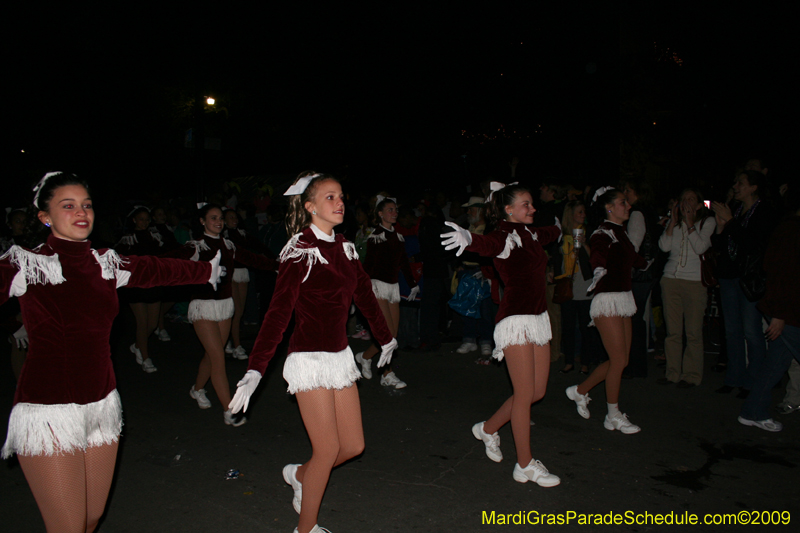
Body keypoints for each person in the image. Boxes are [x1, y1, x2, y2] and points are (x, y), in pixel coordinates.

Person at [0, 172, 222, 533]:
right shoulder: (27, 263)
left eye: (86, 205)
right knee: (68, 526)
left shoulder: (104, 262)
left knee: (90, 518)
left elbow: (153, 268)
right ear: (45, 216)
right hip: (48, 409)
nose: (81, 212)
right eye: (67, 206)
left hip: (101, 404)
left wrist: (204, 271)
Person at [229, 172, 397, 533]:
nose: (339, 203)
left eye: (341, 196)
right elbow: (277, 315)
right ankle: (306, 528)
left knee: (352, 445)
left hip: (339, 358)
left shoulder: (346, 247)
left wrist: (386, 338)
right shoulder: (299, 251)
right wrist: (256, 369)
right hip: (308, 359)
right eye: (330, 197)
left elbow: (365, 295)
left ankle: (300, 475)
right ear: (309, 206)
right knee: (327, 448)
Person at [441, 181, 562, 487]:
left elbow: (550, 233)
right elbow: (487, 245)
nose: (532, 208)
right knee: (524, 395)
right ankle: (525, 464)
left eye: (532, 204)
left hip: (537, 318)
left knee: (537, 392)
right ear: (508, 209)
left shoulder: (532, 233)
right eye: (526, 204)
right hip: (515, 321)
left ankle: (488, 428)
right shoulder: (505, 236)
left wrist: (560, 228)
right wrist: (468, 238)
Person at [167, 203, 277, 425]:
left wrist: (279, 266)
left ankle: (197, 389)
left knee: (211, 355)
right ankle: (229, 409)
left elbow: (255, 259)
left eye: (220, 218)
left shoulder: (229, 245)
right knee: (218, 358)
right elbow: (166, 260)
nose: (218, 221)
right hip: (203, 306)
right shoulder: (195, 246)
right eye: (213, 218)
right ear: (202, 221)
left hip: (225, 306)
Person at [565, 187, 649, 434]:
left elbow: (634, 259)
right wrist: (599, 269)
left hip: (623, 298)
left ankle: (579, 391)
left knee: (619, 361)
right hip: (607, 300)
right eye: (623, 202)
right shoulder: (602, 233)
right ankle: (612, 415)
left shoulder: (620, 233)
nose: (628, 206)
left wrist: (648, 263)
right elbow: (598, 255)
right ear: (609, 207)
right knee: (619, 360)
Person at [711, 170, 779, 397]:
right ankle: (734, 378)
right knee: (732, 331)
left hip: (749, 279)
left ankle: (753, 382)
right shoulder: (737, 211)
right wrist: (722, 226)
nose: (735, 186)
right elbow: (720, 245)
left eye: (740, 183)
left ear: (753, 187)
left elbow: (753, 245)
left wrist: (729, 222)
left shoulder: (764, 212)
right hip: (728, 277)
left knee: (752, 332)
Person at [738, 200, 800, 431]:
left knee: (775, 364)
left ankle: (752, 412)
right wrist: (779, 314)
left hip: (788, 313)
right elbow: (779, 271)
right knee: (774, 363)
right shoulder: (790, 230)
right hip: (788, 314)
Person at [354, 195, 419, 389]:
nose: (394, 213)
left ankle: (365, 357)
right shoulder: (376, 236)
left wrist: (413, 284)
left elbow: (404, 263)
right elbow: (368, 265)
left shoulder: (398, 237)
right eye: (389, 210)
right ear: (380, 214)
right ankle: (387, 374)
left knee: (392, 335)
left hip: (393, 288)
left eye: (395, 210)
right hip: (377, 286)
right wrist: (361, 287)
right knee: (387, 336)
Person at [656, 188, 715, 387]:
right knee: (673, 331)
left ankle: (691, 375)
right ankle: (672, 373)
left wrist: (690, 223)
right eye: (683, 199)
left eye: (691, 199)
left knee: (693, 332)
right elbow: (664, 246)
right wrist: (673, 222)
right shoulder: (676, 224)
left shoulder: (707, 223)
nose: (686, 203)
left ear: (699, 205)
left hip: (694, 283)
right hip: (670, 280)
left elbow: (700, 247)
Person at [116, 206, 166, 373]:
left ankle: (138, 345)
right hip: (136, 286)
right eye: (141, 219)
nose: (144, 222)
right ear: (134, 220)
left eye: (147, 219)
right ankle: (145, 357)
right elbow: (120, 261)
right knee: (142, 323)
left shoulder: (155, 236)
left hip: (154, 284)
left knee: (152, 324)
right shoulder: (128, 239)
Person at [620, 176, 662, 378]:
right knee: (638, 319)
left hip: (640, 274)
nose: (625, 194)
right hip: (648, 272)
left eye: (628, 190)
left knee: (633, 320)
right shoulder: (649, 211)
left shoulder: (637, 213)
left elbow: (634, 245)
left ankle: (634, 366)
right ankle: (637, 365)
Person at [556, 200, 597, 375]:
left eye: (583, 212)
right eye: (579, 212)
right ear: (570, 215)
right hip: (567, 285)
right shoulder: (561, 236)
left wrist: (584, 244)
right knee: (568, 326)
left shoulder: (591, 233)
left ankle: (586, 362)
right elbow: (556, 259)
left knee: (585, 326)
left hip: (584, 285)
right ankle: (569, 361)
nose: (583, 215)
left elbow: (595, 260)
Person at [223, 208, 268, 360]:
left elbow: (257, 246)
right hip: (231, 273)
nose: (234, 220)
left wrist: (273, 259)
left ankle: (230, 341)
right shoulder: (225, 235)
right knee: (235, 311)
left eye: (235, 217)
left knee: (239, 312)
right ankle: (236, 345)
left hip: (243, 272)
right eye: (230, 217)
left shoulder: (241, 233)